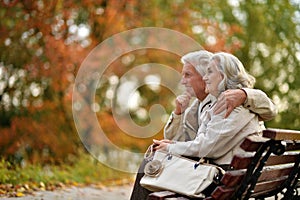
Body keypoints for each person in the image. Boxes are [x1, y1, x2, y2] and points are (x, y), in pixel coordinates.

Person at [130, 50, 277, 200]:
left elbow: (207, 147)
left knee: (150, 166)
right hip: (233, 176)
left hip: (220, 178)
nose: (183, 81)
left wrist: (170, 147)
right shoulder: (206, 105)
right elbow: (190, 141)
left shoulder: (229, 103)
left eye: (188, 75)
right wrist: (177, 123)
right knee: (153, 165)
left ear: (223, 76)